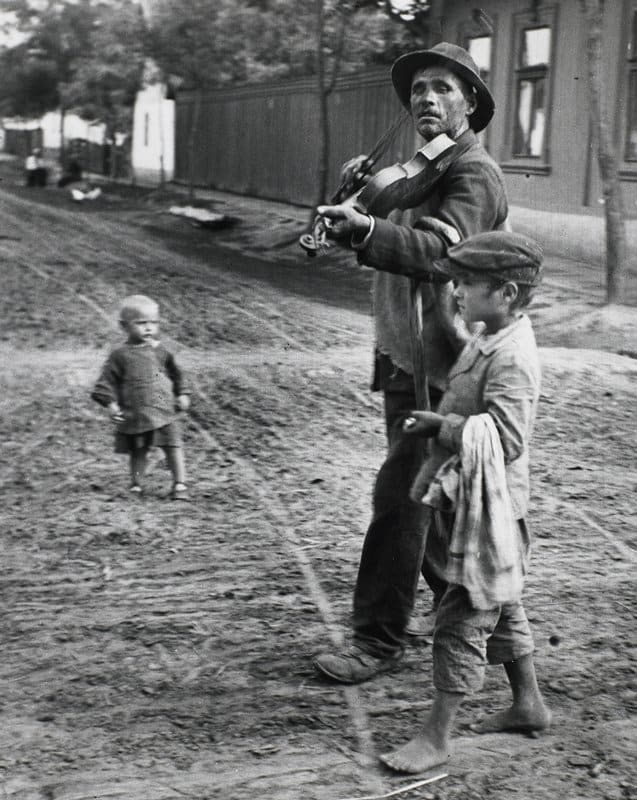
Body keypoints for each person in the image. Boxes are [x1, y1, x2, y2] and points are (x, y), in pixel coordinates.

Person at [312, 42, 509, 684]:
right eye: (419, 88)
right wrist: (359, 195)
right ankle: (504, 646)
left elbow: (434, 253)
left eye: (444, 89)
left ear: (471, 105)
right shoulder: (417, 169)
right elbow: (381, 211)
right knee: (437, 512)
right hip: (408, 356)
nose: (426, 98)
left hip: (448, 367)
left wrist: (366, 229)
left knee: (402, 496)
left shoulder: (472, 175)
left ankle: (376, 640)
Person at [379, 230, 550, 774]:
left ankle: (436, 736)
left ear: (504, 294)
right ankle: (528, 703)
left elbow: (507, 438)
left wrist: (444, 425)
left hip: (494, 505)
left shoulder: (514, 358)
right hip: (470, 494)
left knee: (463, 615)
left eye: (469, 283)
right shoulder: (489, 334)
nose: (457, 290)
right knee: (501, 600)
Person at [91, 294, 191, 500]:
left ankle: (180, 484)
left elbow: (176, 373)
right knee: (139, 450)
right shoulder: (120, 355)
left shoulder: (161, 351)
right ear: (124, 326)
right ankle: (136, 484)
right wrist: (111, 404)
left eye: (153, 323)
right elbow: (106, 381)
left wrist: (182, 393)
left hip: (163, 409)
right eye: (141, 323)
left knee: (173, 446)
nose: (149, 328)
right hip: (136, 412)